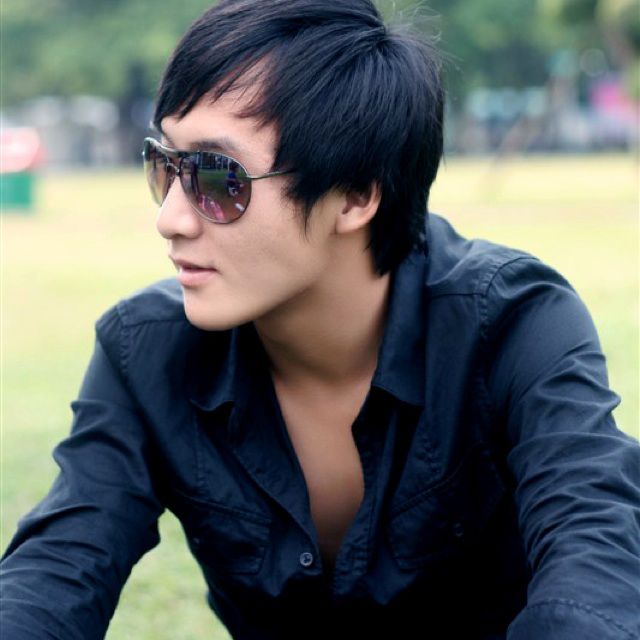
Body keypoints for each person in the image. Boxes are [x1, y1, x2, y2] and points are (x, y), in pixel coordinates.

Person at [1, 1, 639, 639]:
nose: (169, 218)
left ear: (356, 194)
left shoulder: (511, 324)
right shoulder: (146, 351)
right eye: (166, 165)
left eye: (217, 178)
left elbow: (595, 560)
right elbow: (57, 569)